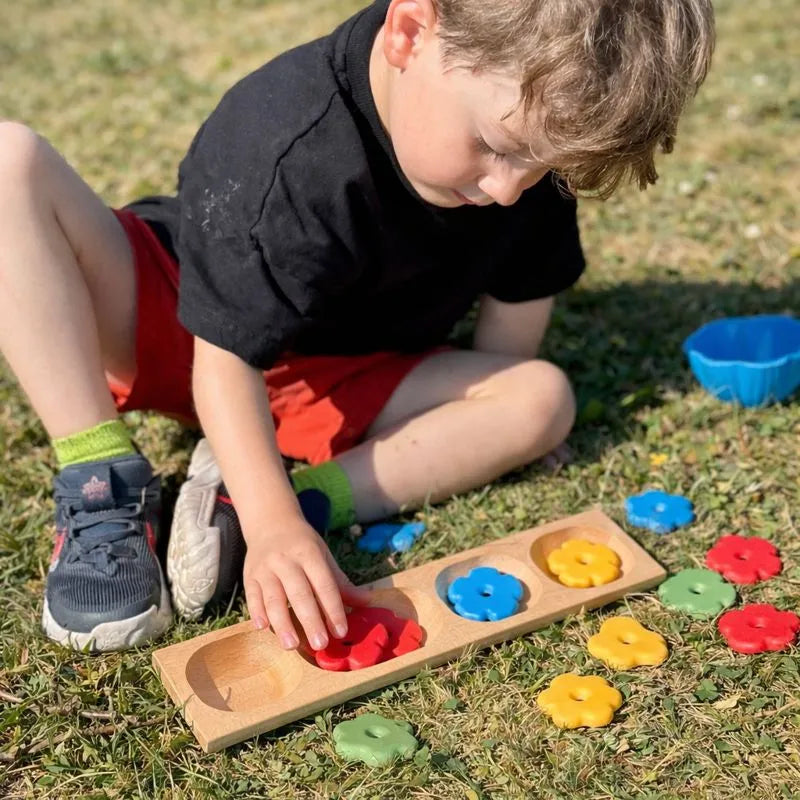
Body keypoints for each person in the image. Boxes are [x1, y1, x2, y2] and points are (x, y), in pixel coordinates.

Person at [0, 0, 714, 653]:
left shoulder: (529, 139)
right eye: (495, 147)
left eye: (542, 167)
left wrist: (496, 433)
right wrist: (275, 530)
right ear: (409, 33)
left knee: (540, 399)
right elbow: (223, 361)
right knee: (8, 162)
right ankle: (101, 473)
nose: (508, 189)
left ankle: (288, 495)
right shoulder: (284, 136)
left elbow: (517, 308)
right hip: (184, 321)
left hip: (340, 376)